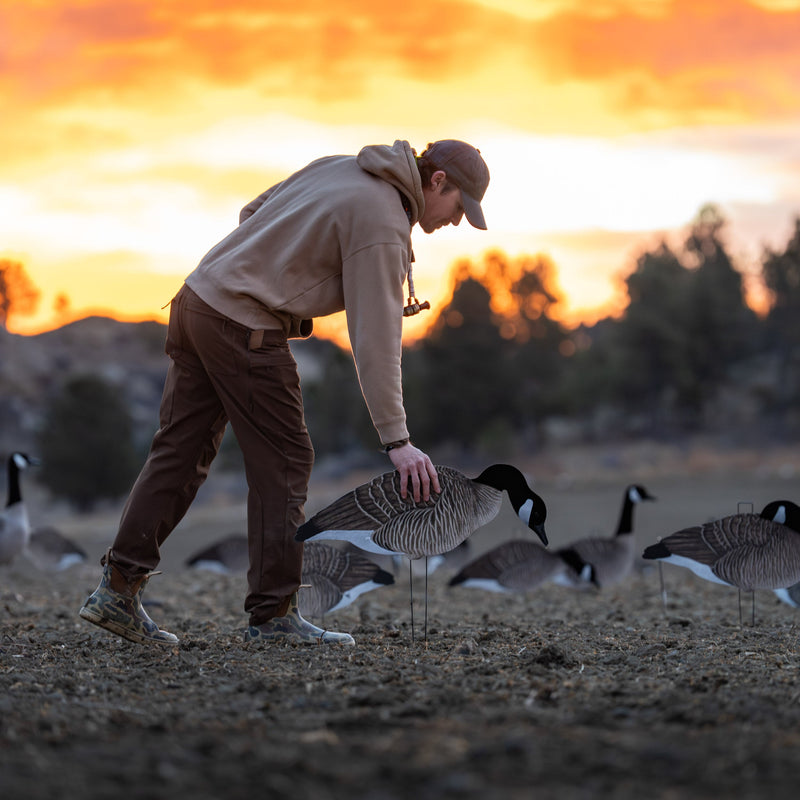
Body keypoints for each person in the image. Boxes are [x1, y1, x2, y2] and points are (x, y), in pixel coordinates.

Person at [79, 138, 490, 646]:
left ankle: (117, 590)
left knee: (178, 455)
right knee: (287, 461)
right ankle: (274, 616)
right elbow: (376, 341)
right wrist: (397, 440)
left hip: (198, 300)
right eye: (458, 208)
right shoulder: (382, 223)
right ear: (438, 182)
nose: (455, 221)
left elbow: (253, 210)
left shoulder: (342, 168)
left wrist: (270, 271)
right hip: (242, 325)